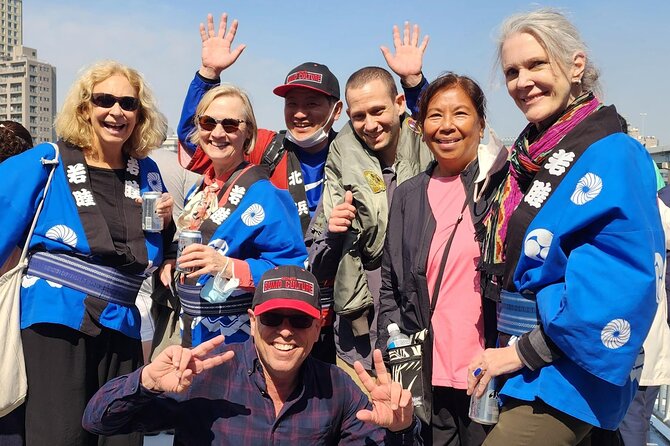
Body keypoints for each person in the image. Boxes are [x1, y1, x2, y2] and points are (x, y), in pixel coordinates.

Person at [466, 9, 664, 445]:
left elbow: (618, 284)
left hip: (564, 371)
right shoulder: (526, 155)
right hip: (523, 363)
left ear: (576, 65)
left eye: (538, 64)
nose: (523, 81)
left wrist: (521, 352)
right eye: (512, 71)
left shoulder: (614, 152)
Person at [0, 60, 173, 446]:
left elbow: (156, 252)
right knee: (60, 436)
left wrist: (167, 226)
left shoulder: (147, 173)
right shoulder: (45, 161)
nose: (117, 112)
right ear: (84, 108)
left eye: (128, 104)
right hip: (55, 318)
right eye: (104, 100)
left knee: (122, 435)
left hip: (123, 322)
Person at [83, 265, 421, 445]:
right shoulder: (203, 375)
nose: (285, 331)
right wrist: (145, 382)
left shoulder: (337, 388)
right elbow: (99, 421)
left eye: (300, 320)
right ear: (254, 321)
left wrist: (402, 428)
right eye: (273, 318)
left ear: (318, 328)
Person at [177, 13, 342, 362]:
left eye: (312, 103)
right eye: (291, 103)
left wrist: (413, 84)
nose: (300, 113)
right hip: (232, 322)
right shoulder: (262, 151)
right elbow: (197, 140)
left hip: (324, 307)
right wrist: (208, 75)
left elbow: (290, 265)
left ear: (335, 109)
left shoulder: (353, 153)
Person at [377, 74, 507, 444]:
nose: (447, 126)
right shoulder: (407, 195)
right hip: (425, 372)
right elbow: (391, 284)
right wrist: (390, 351)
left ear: (481, 124)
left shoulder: (502, 188)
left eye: (460, 114)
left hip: (487, 372)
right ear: (420, 128)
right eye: (435, 116)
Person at [307, 23, 433, 389]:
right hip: (360, 334)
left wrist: (415, 83)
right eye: (359, 116)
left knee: (418, 421)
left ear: (398, 104)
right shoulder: (341, 157)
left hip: (421, 318)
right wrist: (332, 230)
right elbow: (316, 256)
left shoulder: (428, 145)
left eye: (378, 110)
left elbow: (448, 123)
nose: (370, 124)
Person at [161, 83, 307, 348]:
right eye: (207, 122)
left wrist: (228, 266)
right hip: (191, 330)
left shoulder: (267, 195)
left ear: (247, 131)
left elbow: (292, 271)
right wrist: (172, 257)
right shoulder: (201, 188)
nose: (217, 133)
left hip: (238, 339)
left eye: (229, 125)